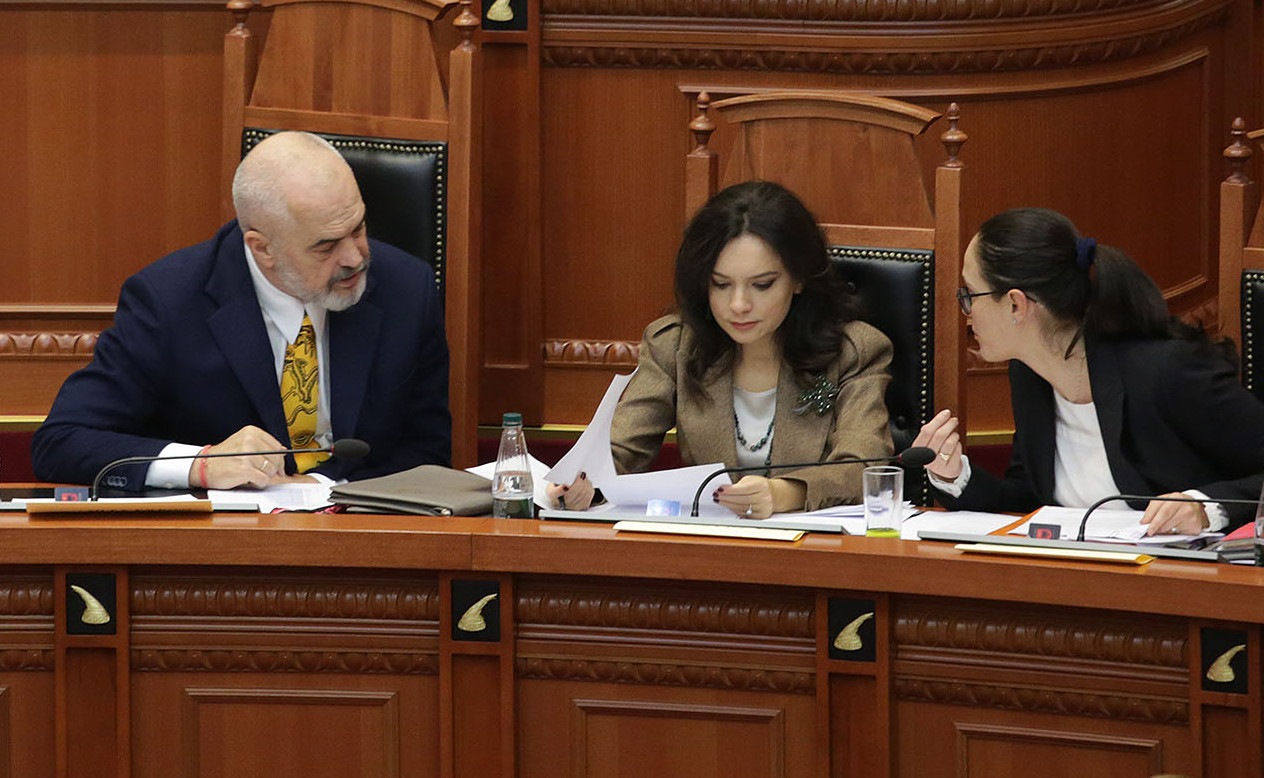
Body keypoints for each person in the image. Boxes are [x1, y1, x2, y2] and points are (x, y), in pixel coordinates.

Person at [31, 131, 451, 490]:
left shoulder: (405, 289)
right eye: (326, 246)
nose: (355, 258)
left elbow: (428, 450)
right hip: (222, 543)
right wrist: (201, 464)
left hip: (362, 531)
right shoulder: (169, 301)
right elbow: (62, 442)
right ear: (262, 248)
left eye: (357, 228)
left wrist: (325, 488)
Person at [548, 181, 894, 518]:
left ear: (799, 278)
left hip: (813, 545)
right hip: (710, 540)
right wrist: (581, 485)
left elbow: (865, 466)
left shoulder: (854, 352)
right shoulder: (675, 346)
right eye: (721, 284)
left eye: (762, 285)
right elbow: (620, 452)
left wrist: (783, 493)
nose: (738, 305)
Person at [915, 207, 1264, 533]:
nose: (966, 313)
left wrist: (1205, 507)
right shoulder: (1029, 373)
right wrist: (955, 476)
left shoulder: (1165, 370)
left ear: (1015, 304)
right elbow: (1029, 501)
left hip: (1184, 573)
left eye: (970, 295)